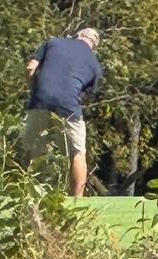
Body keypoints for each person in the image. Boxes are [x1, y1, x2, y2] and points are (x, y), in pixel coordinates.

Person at [21, 26, 102, 197]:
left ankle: (23, 193)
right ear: (93, 46)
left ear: (78, 35)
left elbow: (30, 68)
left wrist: (35, 91)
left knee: (29, 149)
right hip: (69, 106)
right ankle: (77, 201)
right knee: (78, 153)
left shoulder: (53, 42)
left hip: (39, 101)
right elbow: (86, 97)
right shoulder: (95, 66)